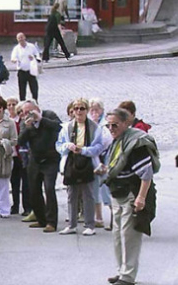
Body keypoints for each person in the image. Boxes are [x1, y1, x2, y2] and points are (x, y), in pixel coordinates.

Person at [99, 108, 160, 285]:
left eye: (115, 125)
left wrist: (141, 198)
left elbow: (146, 173)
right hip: (117, 193)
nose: (111, 128)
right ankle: (121, 271)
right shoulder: (118, 141)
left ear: (126, 123)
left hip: (131, 193)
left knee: (129, 236)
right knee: (118, 235)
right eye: (108, 125)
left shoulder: (136, 144)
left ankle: (128, 275)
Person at [55, 98, 105, 236]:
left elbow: (99, 147)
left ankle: (90, 224)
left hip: (88, 162)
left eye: (82, 108)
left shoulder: (95, 128)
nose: (78, 111)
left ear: (86, 110)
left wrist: (83, 150)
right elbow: (59, 145)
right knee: (72, 194)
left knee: (89, 194)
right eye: (76, 108)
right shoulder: (67, 127)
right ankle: (72, 224)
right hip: (71, 162)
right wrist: (67, 146)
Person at [17, 100, 63, 232]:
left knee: (49, 188)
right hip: (35, 160)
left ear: (36, 109)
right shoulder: (25, 123)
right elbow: (20, 141)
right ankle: (40, 218)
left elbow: (59, 127)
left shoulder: (49, 115)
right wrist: (27, 128)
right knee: (33, 190)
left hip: (50, 159)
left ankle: (51, 222)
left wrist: (41, 120)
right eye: (24, 113)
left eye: (29, 112)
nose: (27, 115)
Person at [89, 97, 114, 229]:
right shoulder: (89, 123)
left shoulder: (105, 124)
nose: (94, 112)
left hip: (105, 158)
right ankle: (98, 217)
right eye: (92, 109)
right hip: (93, 159)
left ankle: (113, 216)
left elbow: (106, 140)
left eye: (96, 109)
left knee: (106, 188)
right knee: (94, 189)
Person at [7, 97, 30, 216]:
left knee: (25, 182)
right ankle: (15, 205)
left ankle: (27, 207)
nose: (11, 107)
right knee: (14, 182)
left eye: (14, 104)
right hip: (12, 155)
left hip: (22, 155)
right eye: (9, 105)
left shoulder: (22, 121)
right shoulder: (6, 121)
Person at [10, 32, 41, 101]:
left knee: (34, 88)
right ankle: (22, 103)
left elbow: (37, 56)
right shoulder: (16, 48)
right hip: (22, 71)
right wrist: (15, 60)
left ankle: (35, 101)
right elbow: (12, 58)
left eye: (21, 37)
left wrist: (33, 57)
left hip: (31, 71)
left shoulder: (31, 46)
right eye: (19, 38)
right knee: (22, 89)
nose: (21, 39)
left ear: (24, 37)